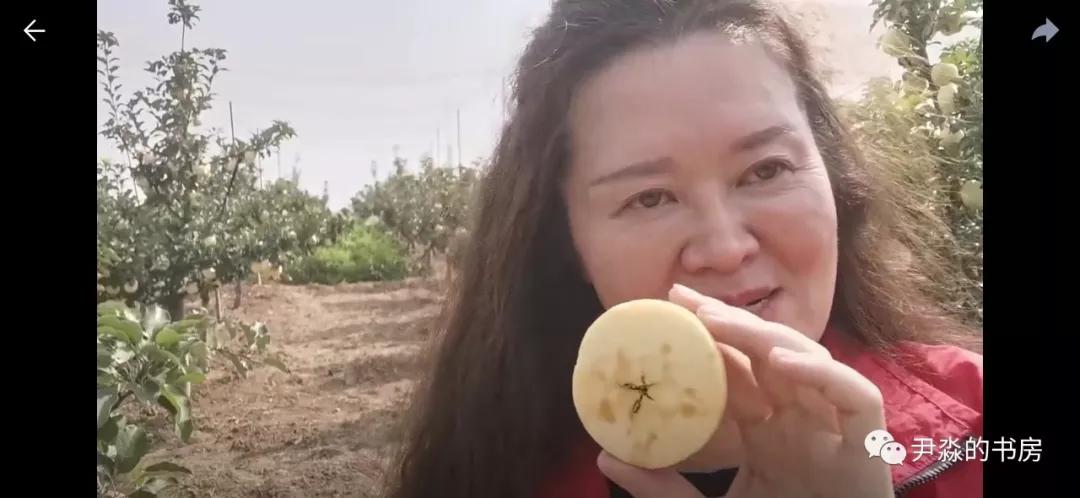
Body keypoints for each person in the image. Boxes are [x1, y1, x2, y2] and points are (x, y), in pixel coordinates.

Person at [382, 1, 983, 497]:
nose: (724, 248)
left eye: (766, 169)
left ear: (835, 179)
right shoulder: (488, 478)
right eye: (649, 199)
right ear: (567, 245)